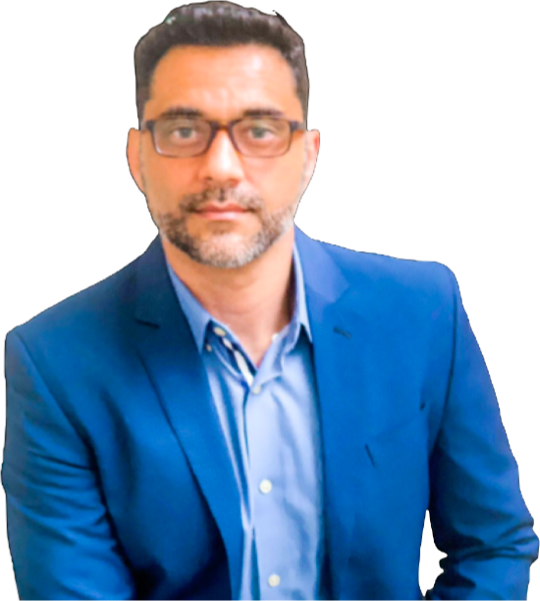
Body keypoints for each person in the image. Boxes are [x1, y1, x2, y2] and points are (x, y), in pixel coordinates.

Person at [2, 2, 538, 600]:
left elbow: (493, 546)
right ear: (137, 158)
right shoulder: (55, 362)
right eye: (183, 131)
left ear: (308, 156)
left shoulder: (423, 311)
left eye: (259, 130)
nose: (221, 168)